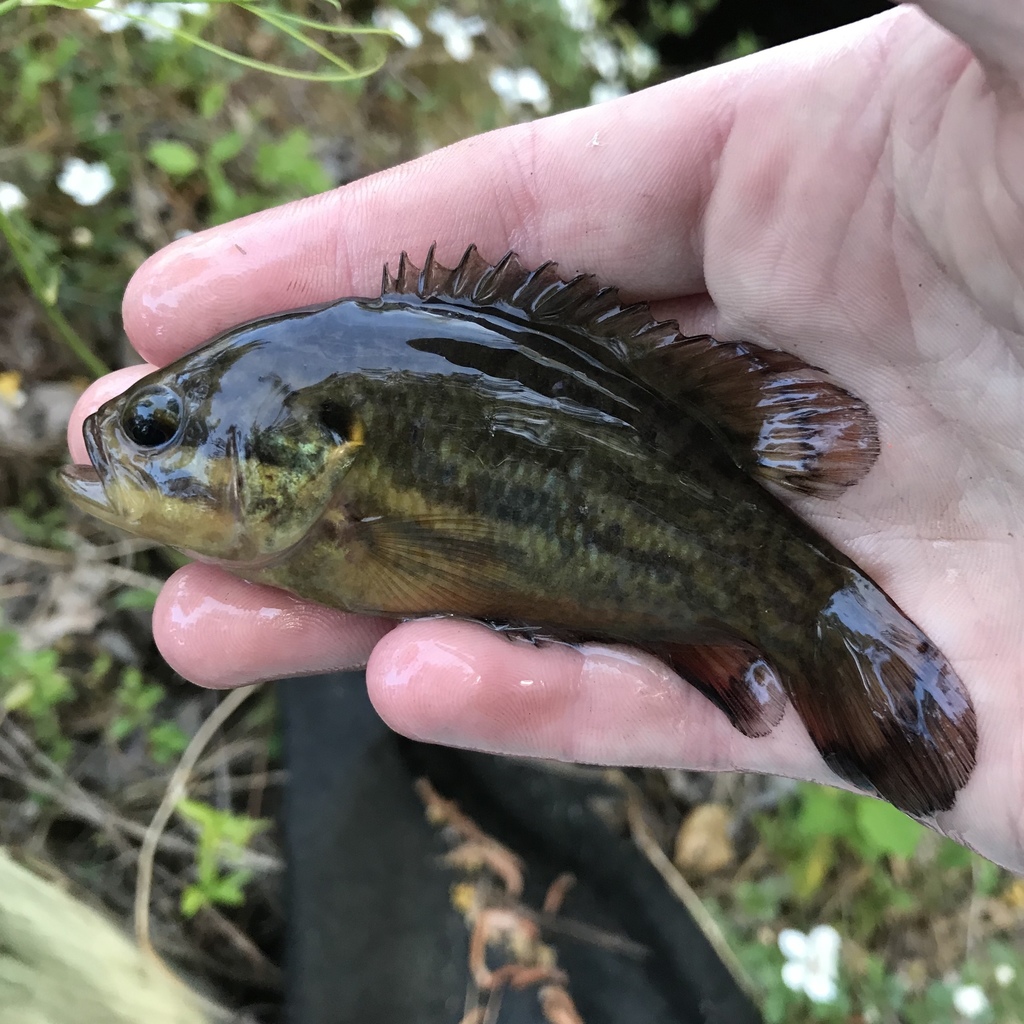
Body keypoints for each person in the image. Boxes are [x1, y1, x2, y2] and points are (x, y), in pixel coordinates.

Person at [68, 0, 1024, 871]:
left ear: (323, 444)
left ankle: (809, 624)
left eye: (158, 430)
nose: (134, 450)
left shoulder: (342, 476)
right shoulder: (325, 468)